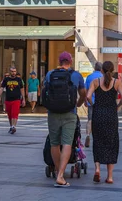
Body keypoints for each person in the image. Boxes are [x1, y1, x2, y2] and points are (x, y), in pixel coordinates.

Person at [45, 52, 86, 188]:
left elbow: (44, 91)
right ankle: (61, 175)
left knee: (54, 143)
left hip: (53, 113)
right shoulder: (76, 75)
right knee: (67, 143)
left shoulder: (50, 74)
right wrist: (78, 104)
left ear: (59, 61)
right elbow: (83, 94)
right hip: (70, 112)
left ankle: (58, 172)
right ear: (70, 61)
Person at [87, 61, 122, 184]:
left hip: (98, 114)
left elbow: (88, 96)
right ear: (113, 70)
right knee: (111, 143)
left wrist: (94, 105)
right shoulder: (117, 82)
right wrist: (117, 106)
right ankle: (109, 176)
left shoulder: (96, 82)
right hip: (111, 115)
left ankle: (97, 169)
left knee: (98, 141)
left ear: (102, 70)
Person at [0, 67, 25, 134]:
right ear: (10, 72)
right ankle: (11, 126)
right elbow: (2, 88)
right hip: (8, 99)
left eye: (14, 71)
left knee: (14, 113)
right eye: (12, 71)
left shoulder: (19, 79)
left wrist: (23, 98)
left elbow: (22, 89)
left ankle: (14, 126)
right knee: (9, 114)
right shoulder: (6, 79)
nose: (13, 73)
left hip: (16, 99)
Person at [84, 62, 103, 147]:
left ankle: (88, 135)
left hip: (91, 101)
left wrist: (85, 100)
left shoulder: (89, 77)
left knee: (90, 119)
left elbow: (86, 90)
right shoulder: (103, 77)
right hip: (101, 102)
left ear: (94, 68)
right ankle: (99, 138)